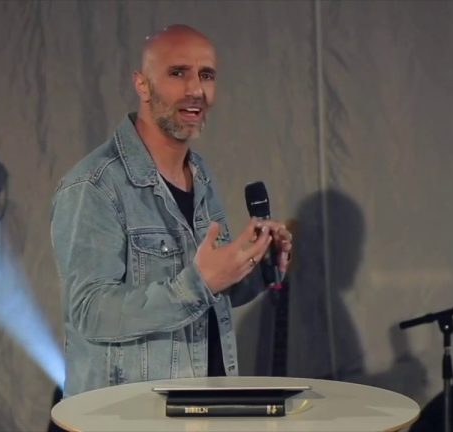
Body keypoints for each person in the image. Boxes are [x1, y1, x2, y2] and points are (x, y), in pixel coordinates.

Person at [50, 24, 293, 397]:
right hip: (130, 415)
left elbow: (210, 298)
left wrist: (256, 266)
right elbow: (89, 312)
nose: (196, 90)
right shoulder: (94, 184)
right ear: (142, 85)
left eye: (206, 75)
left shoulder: (200, 174)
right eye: (178, 73)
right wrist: (200, 283)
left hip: (205, 407)